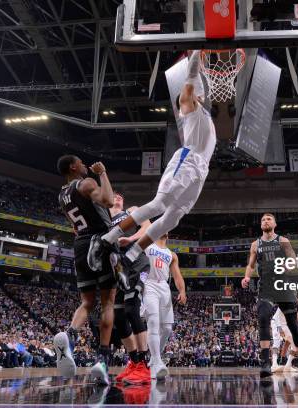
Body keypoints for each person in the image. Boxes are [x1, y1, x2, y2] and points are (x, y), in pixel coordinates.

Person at [88, 50, 216, 281]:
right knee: (160, 204)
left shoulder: (204, 113)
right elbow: (191, 78)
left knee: (173, 218)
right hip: (187, 160)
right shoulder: (189, 105)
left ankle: (129, 257)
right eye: (198, 93)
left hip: (201, 170)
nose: (202, 94)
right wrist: (198, 52)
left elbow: (198, 83)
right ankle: (107, 239)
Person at [54, 155, 119, 385]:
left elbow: (74, 228)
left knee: (87, 302)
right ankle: (102, 360)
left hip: (80, 245)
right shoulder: (86, 183)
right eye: (80, 163)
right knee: (108, 302)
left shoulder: (62, 195)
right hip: (100, 241)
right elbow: (109, 201)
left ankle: (70, 336)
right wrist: (102, 173)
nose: (84, 165)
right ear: (73, 166)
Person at [241, 213, 298, 379]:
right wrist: (247, 277)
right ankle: (265, 363)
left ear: (275, 223)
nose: (266, 221)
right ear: (260, 225)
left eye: (269, 219)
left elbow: (293, 258)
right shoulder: (255, 244)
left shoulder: (283, 241)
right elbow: (250, 265)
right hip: (265, 287)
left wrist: (289, 266)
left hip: (283, 286)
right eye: (263, 219)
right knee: (263, 318)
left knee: (294, 325)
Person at [109, 192, 152, 385]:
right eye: (114, 195)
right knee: (118, 316)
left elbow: (148, 227)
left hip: (137, 260)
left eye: (120, 195)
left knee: (132, 308)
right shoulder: (103, 219)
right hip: (119, 269)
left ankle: (144, 363)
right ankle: (134, 362)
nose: (118, 196)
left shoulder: (131, 211)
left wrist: (131, 239)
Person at [143, 233, 186, 380]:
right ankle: (157, 364)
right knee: (153, 323)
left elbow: (177, 275)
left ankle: (155, 357)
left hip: (164, 287)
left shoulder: (172, 254)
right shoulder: (147, 245)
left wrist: (182, 291)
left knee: (167, 328)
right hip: (149, 284)